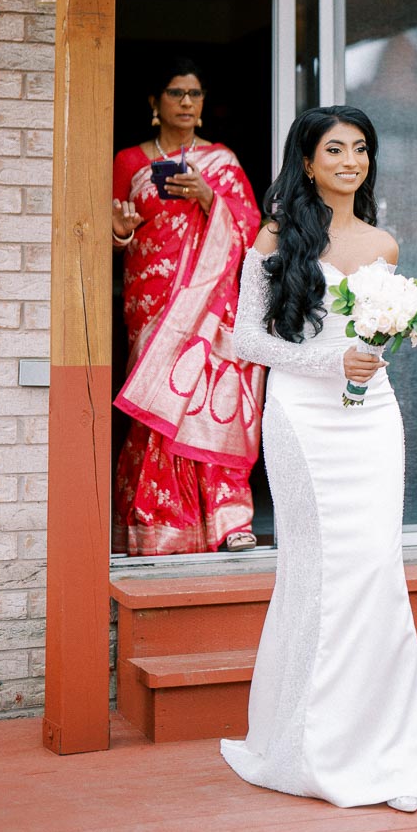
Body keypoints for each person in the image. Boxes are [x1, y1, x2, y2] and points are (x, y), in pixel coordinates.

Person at [220, 105, 417, 812]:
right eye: (335, 149)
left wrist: (369, 356)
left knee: (375, 570)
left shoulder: (386, 245)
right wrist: (325, 358)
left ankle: (379, 742)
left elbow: (380, 342)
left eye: (362, 149)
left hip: (372, 421)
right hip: (303, 420)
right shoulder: (278, 235)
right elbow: (243, 339)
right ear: (307, 162)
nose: (351, 160)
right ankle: (306, 744)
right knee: (317, 571)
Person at [111, 56, 265, 556]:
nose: (185, 102)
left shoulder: (222, 162)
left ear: (202, 106)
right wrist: (120, 228)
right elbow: (116, 232)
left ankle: (227, 520)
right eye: (175, 93)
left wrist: (207, 197)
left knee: (205, 397)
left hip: (210, 308)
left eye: (193, 94)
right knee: (157, 405)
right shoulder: (129, 161)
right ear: (154, 104)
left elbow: (251, 229)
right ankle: (159, 523)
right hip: (152, 304)